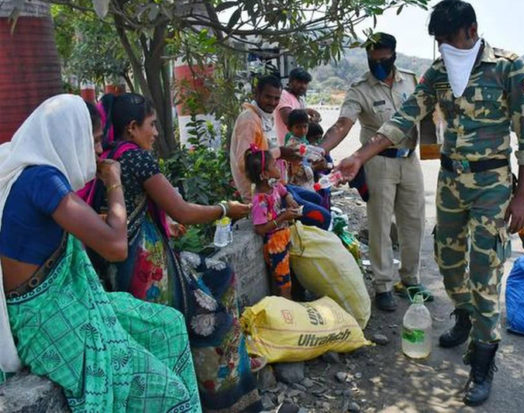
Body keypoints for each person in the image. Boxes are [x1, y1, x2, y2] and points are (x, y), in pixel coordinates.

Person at [336, 0, 524, 406]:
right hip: (450, 181)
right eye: (438, 41)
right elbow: (405, 116)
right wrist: (361, 154)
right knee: (448, 262)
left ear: (471, 29)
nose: (443, 47)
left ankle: (483, 361)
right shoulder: (439, 72)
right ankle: (463, 314)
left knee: (484, 271)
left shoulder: (507, 67)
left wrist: (523, 198)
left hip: (492, 183)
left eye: (448, 38)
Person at [0, 94, 200, 411]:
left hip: (67, 299)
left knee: (169, 325)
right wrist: (115, 183)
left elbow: (89, 227)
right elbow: (116, 247)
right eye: (93, 141)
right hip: (44, 318)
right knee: (171, 393)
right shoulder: (42, 179)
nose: (97, 151)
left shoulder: (35, 174)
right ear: (70, 137)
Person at [93, 93, 262, 413]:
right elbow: (183, 211)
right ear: (132, 128)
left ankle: (234, 364)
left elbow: (127, 208)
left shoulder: (113, 156)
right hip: (145, 269)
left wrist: (163, 224)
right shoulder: (136, 158)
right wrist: (226, 208)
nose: (156, 132)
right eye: (152, 125)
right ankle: (228, 402)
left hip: (141, 256)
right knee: (218, 328)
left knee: (221, 274)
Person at [320, 32, 430, 312]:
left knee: (413, 222)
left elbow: (426, 115)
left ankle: (410, 279)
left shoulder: (411, 80)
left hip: (409, 159)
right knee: (380, 224)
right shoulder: (360, 89)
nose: (378, 65)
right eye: (373, 60)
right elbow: (342, 124)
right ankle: (382, 285)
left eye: (384, 59)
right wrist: (319, 151)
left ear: (394, 55)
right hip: (378, 161)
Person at [230, 75, 331, 230]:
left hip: (277, 186)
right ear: (256, 94)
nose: (272, 102)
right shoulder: (249, 120)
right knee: (323, 217)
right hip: (263, 193)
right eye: (268, 97)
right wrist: (280, 152)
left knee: (316, 199)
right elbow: (245, 162)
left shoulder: (263, 116)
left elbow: (270, 153)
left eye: (276, 98)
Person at [246, 147, 302, 299]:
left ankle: (282, 306)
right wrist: (283, 217)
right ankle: (288, 313)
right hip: (274, 245)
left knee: (282, 278)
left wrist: (289, 198)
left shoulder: (274, 186)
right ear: (264, 174)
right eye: (274, 165)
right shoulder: (260, 200)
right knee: (284, 284)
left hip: (283, 238)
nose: (278, 166)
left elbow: (285, 192)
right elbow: (260, 229)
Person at [274, 67, 322, 145]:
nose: (302, 86)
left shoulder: (300, 99)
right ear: (290, 82)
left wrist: (314, 120)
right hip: (288, 148)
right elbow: (288, 119)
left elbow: (302, 121)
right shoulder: (284, 95)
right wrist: (308, 111)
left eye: (305, 83)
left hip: (301, 147)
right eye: (299, 82)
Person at [285, 110, 315, 190]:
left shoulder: (303, 140)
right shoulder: (292, 143)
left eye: (305, 126)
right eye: (298, 127)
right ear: (289, 128)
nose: (302, 130)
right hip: (297, 181)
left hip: (305, 179)